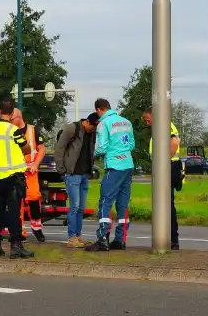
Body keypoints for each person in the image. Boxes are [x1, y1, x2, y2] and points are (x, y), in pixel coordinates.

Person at [0, 100, 35, 259]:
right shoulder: (14, 130)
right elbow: (26, 148)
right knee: (13, 213)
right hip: (12, 178)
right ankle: (16, 247)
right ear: (12, 114)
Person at [85, 98, 135, 251]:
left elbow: (102, 148)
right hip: (128, 166)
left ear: (99, 110)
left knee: (105, 202)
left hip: (114, 166)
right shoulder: (126, 122)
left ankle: (102, 239)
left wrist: (92, 155)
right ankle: (120, 240)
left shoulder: (103, 124)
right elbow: (131, 144)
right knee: (122, 204)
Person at [53, 112, 99, 247]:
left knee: (81, 208)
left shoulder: (92, 133)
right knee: (75, 206)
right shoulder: (72, 129)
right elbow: (59, 149)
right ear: (88, 123)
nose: (93, 131)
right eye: (93, 128)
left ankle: (78, 236)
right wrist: (62, 170)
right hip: (72, 174)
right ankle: (71, 237)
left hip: (85, 174)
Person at [144, 108, 182, 250]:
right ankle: (170, 239)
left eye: (147, 118)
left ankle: (172, 239)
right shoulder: (161, 126)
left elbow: (174, 142)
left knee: (167, 205)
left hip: (168, 168)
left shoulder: (165, 125)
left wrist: (163, 163)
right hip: (167, 167)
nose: (146, 122)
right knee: (165, 204)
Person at [10, 108, 48, 242]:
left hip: (31, 172)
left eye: (12, 118)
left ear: (19, 117)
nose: (10, 121)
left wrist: (35, 164)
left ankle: (37, 227)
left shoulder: (33, 130)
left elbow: (42, 149)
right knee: (16, 201)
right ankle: (20, 232)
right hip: (16, 171)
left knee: (34, 199)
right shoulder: (9, 131)